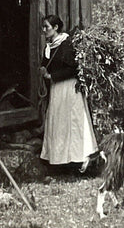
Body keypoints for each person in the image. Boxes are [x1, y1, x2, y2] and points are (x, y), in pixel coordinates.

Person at [39, 15, 98, 170]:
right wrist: (44, 69)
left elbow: (73, 69)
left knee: (73, 123)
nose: (44, 30)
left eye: (47, 27)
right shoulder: (49, 46)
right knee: (59, 121)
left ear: (56, 27)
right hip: (57, 89)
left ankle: (80, 160)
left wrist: (52, 76)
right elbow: (48, 64)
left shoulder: (66, 45)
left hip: (69, 88)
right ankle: (61, 161)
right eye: (43, 27)